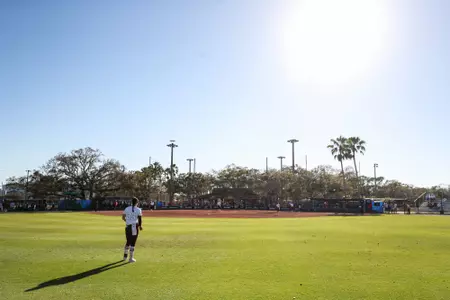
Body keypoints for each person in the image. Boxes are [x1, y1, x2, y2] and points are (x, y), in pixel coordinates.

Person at [122, 197, 143, 263]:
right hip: (134, 226)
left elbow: (123, 217)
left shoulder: (127, 208)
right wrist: (140, 226)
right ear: (137, 202)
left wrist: (127, 221)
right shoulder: (138, 209)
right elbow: (140, 219)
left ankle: (125, 256)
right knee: (133, 242)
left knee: (128, 241)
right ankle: (131, 258)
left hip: (128, 226)